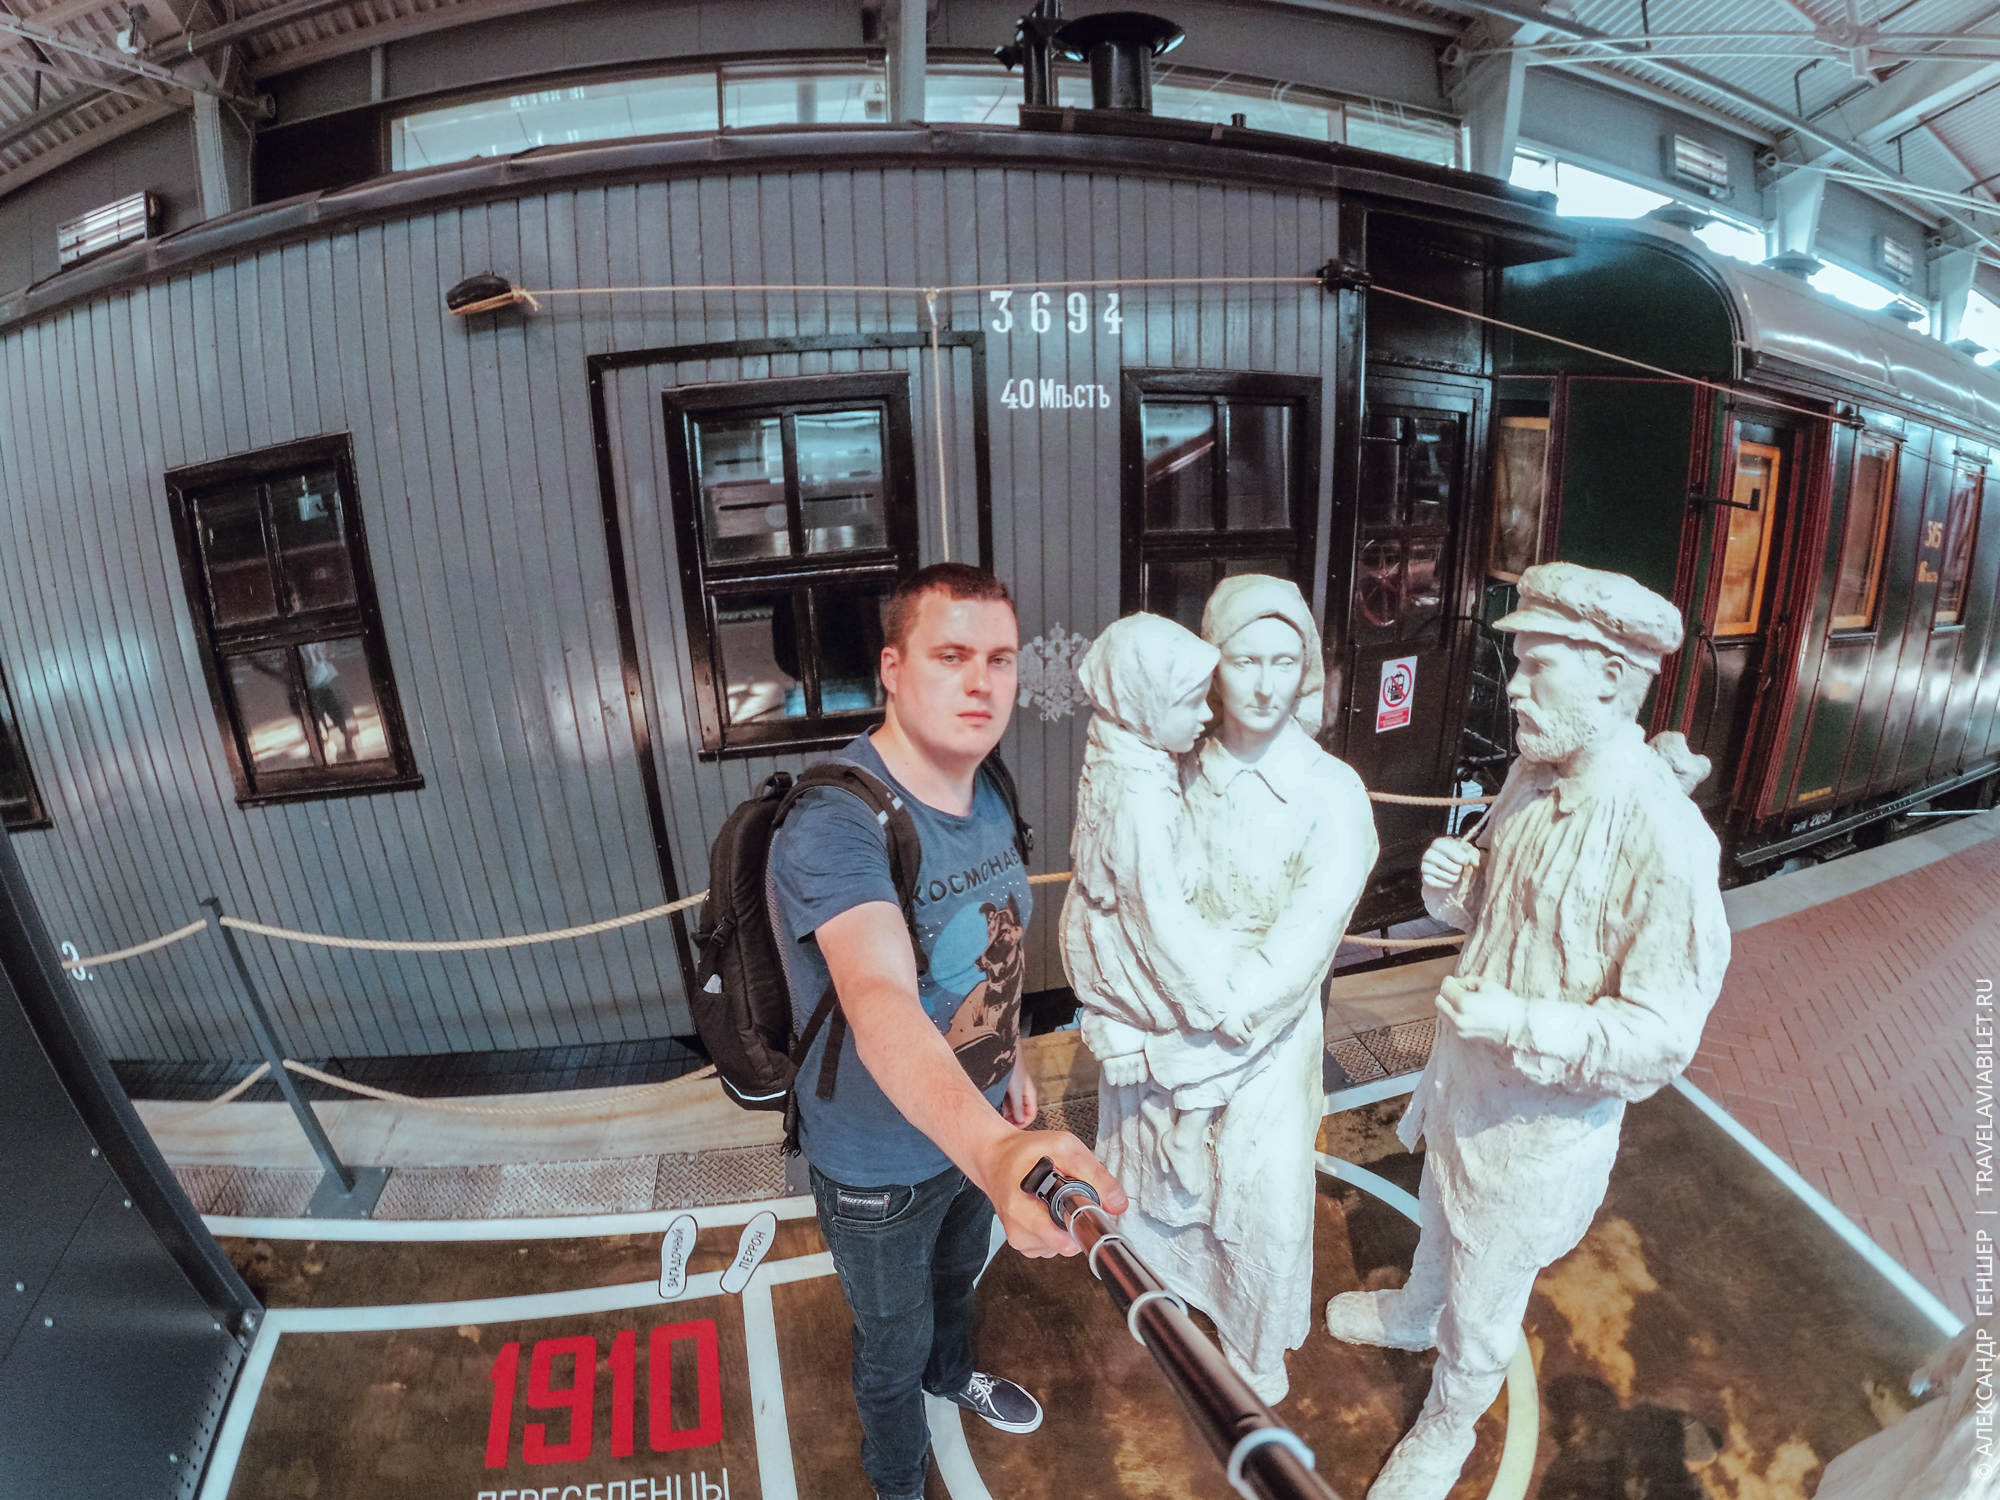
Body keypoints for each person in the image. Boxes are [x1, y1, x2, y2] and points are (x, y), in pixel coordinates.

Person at [1324, 561, 1731, 1500]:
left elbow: (1662, 1038)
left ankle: (1447, 1427)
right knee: (1439, 1210)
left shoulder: (1666, 842)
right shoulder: (1528, 776)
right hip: (1463, 1083)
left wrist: (1522, 1023)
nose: (1513, 686)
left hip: (1538, 1131)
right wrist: (1455, 893)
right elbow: (1506, 919)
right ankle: (1414, 1311)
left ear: (1611, 678)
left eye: (1538, 665)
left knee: (1486, 1299)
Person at [767, 561, 1128, 1500]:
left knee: (958, 1284)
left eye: (1001, 660)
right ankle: (896, 1482)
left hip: (977, 1129)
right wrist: (995, 1149)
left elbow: (993, 954)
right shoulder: (837, 822)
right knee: (890, 1344)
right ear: (892, 669)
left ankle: (952, 1374)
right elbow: (879, 995)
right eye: (951, 656)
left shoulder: (988, 785)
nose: (982, 683)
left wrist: (1010, 1066)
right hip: (879, 1169)